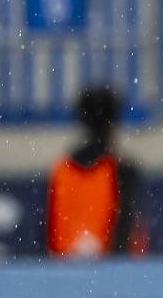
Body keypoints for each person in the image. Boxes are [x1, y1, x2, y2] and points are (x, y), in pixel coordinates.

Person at [46, 86, 143, 258]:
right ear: (114, 121)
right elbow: (124, 236)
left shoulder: (61, 170)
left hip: (63, 269)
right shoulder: (123, 171)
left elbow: (48, 233)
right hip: (107, 270)